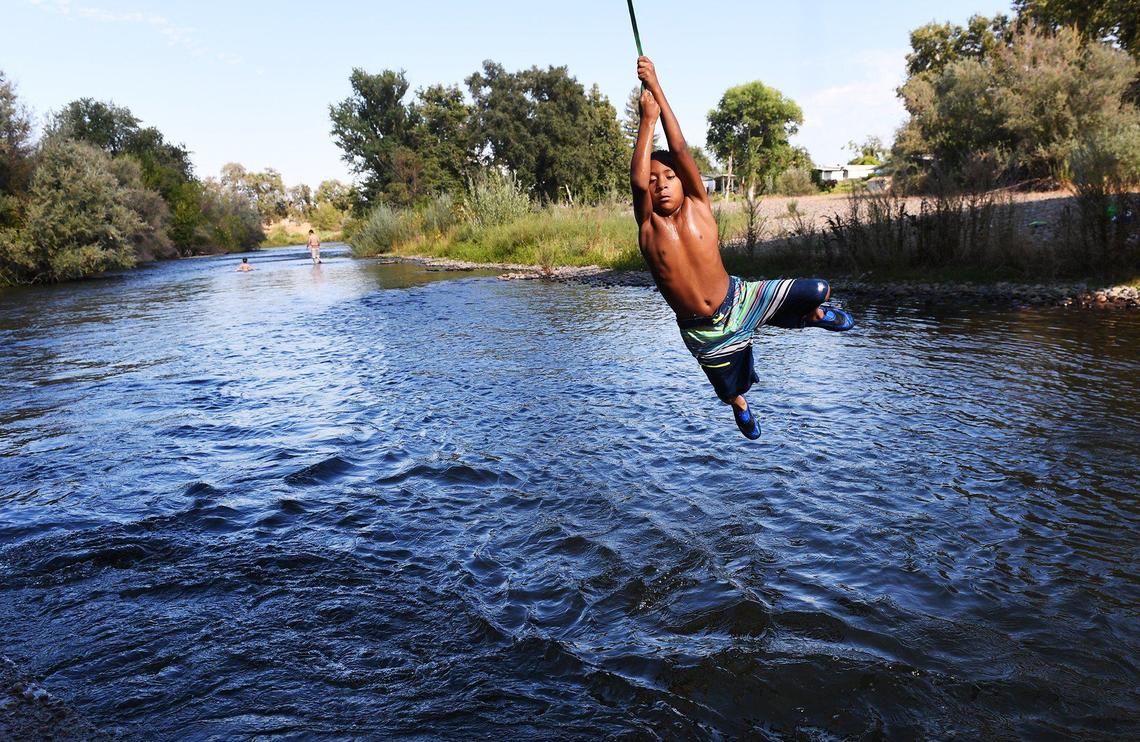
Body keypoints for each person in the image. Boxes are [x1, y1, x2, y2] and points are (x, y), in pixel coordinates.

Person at [631, 56, 854, 440]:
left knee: (819, 290)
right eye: (654, 181)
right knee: (730, 390)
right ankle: (741, 408)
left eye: (669, 176)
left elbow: (680, 147)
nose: (661, 184)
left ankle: (813, 316)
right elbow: (637, 180)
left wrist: (657, 86)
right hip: (703, 332)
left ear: (685, 181)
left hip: (740, 298)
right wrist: (645, 122)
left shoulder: (700, 206)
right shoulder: (650, 227)